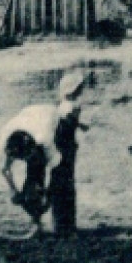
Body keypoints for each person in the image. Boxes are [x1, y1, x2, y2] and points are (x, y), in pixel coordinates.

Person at [0, 104, 58, 235]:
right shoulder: (4, 140)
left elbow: (55, 166)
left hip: (53, 117)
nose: (23, 161)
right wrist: (13, 190)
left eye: (26, 156)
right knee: (30, 190)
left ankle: (48, 220)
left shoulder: (45, 139)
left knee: (40, 177)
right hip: (29, 117)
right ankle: (37, 223)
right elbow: (3, 168)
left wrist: (49, 193)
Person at [49, 74, 89, 237]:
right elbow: (68, 122)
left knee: (59, 184)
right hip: (66, 148)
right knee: (66, 186)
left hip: (60, 147)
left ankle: (60, 224)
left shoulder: (61, 106)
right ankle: (67, 225)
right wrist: (79, 124)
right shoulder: (72, 107)